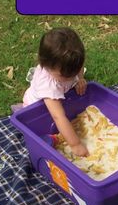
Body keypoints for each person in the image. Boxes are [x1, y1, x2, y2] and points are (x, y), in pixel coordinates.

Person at [23, 27, 89, 157]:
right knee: (48, 129)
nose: (70, 77)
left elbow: (79, 67)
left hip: (60, 97)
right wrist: (76, 144)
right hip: (38, 107)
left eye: (74, 72)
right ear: (45, 65)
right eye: (64, 76)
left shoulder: (70, 63)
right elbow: (58, 116)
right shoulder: (48, 85)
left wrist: (80, 78)